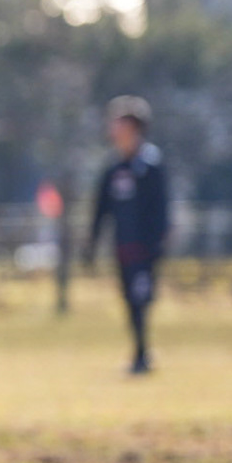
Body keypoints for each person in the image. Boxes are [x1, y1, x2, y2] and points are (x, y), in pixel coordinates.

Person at [85, 95, 168, 375]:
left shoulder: (150, 166)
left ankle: (142, 355)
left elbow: (161, 210)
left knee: (141, 299)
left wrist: (156, 246)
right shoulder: (114, 168)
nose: (113, 129)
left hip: (145, 251)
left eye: (119, 123)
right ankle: (141, 353)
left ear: (134, 127)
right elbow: (101, 209)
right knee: (130, 300)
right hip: (122, 247)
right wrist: (92, 244)